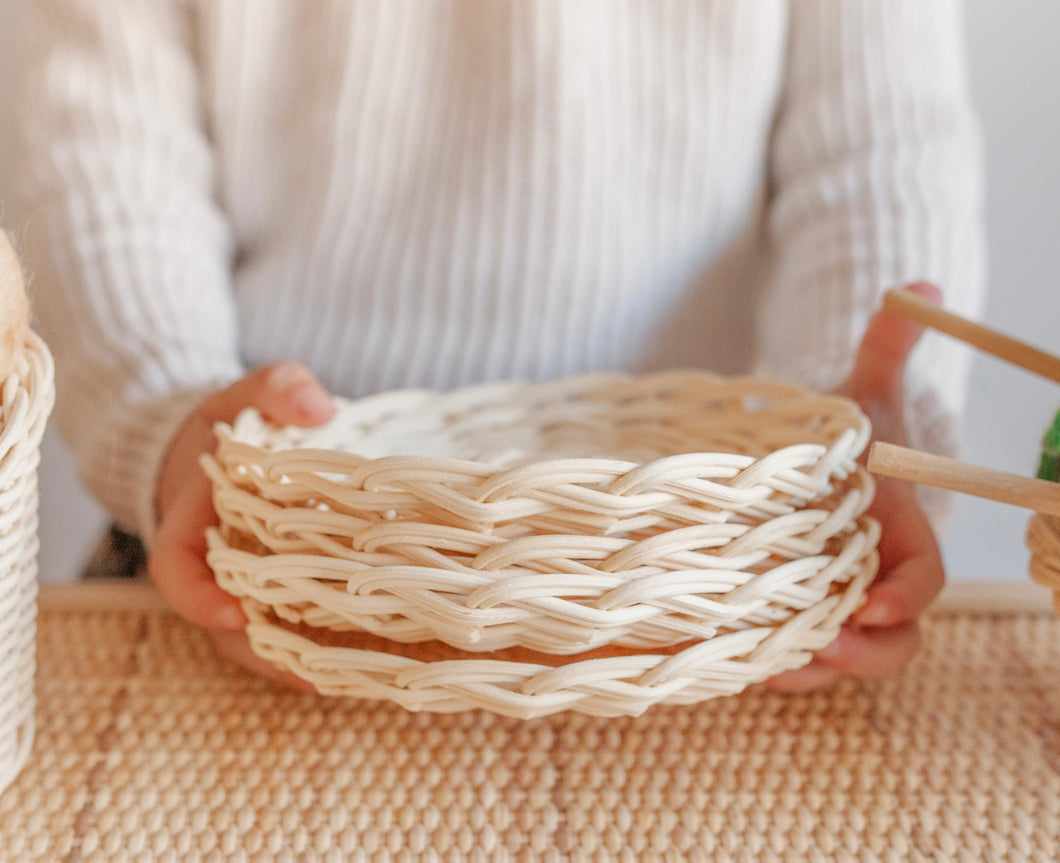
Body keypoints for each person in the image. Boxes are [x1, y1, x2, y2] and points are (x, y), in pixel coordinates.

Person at [10, 0, 985, 692]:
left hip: (699, 574)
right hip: (245, 535)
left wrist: (860, 417)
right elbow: (99, 143)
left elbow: (879, 144)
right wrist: (174, 410)